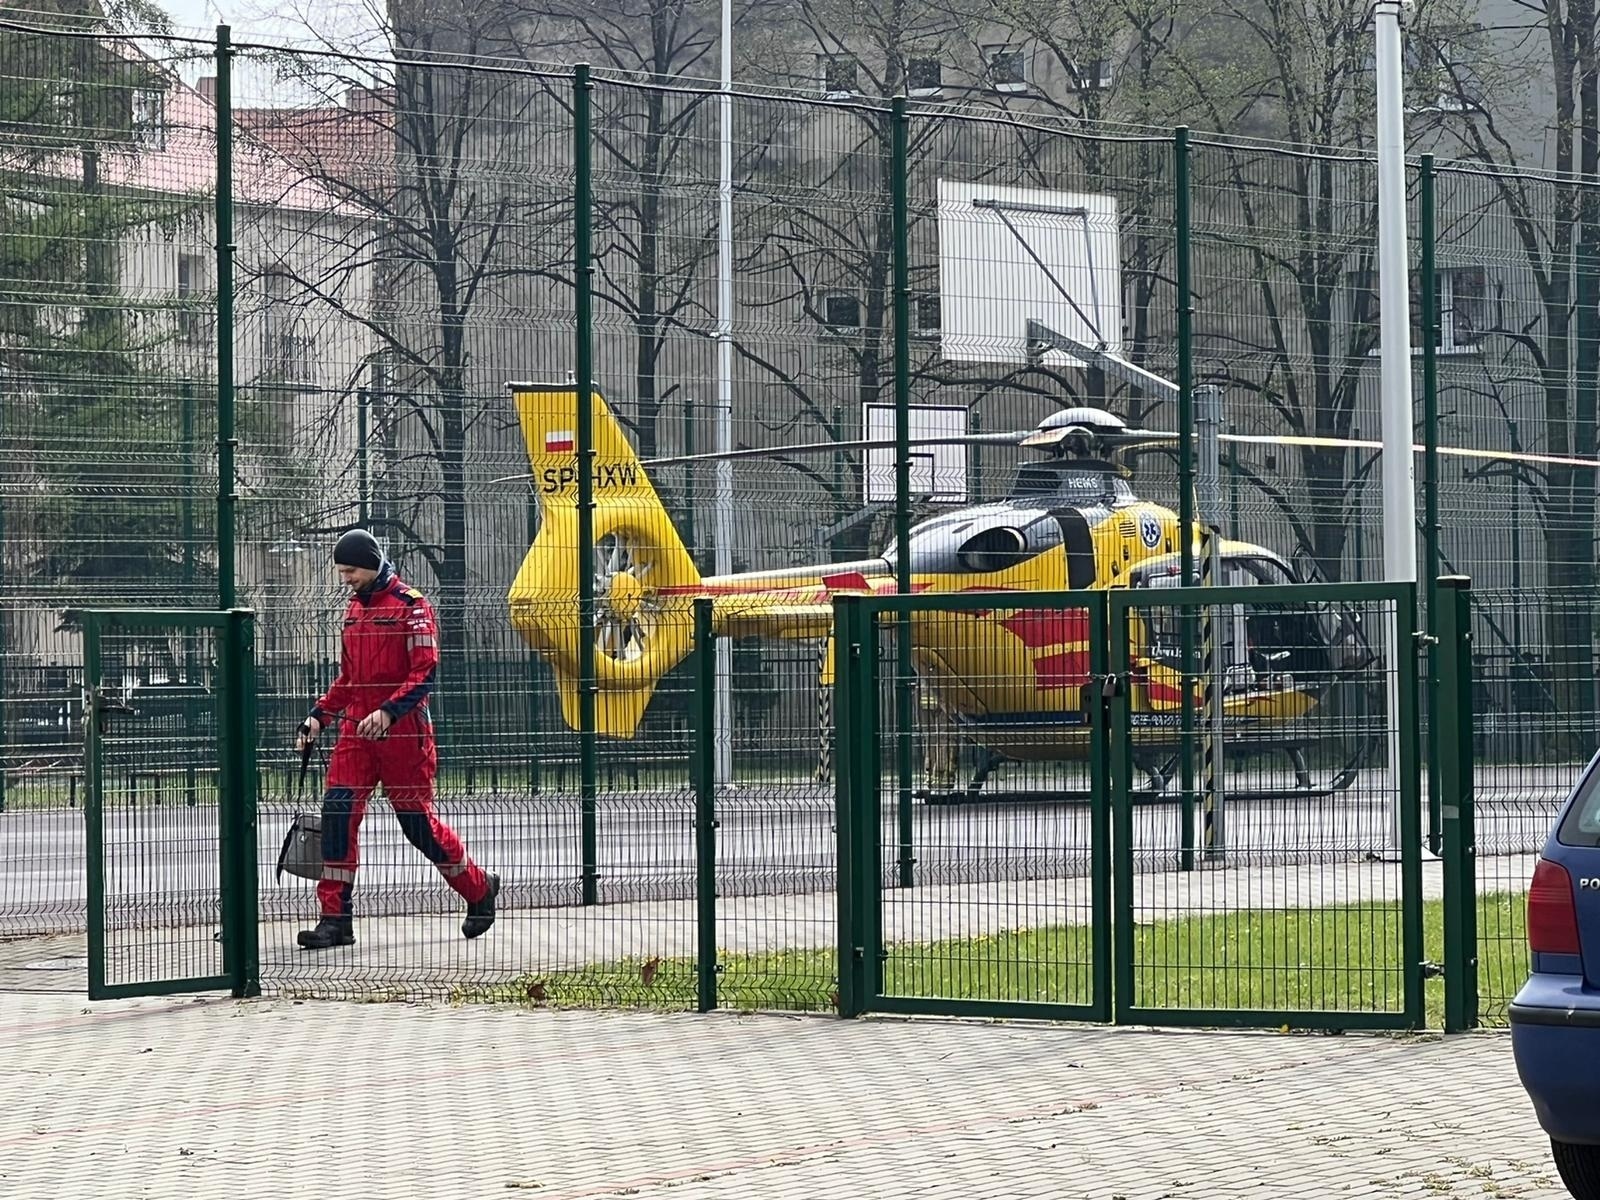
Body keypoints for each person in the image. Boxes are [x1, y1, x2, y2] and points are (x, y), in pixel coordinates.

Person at [294, 528, 500, 950]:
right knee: (337, 813)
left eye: (350, 570)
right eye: (341, 571)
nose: (345, 578)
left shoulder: (413, 606)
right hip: (356, 731)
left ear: (371, 563)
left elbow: (424, 672)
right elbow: (349, 679)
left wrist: (388, 712)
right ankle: (335, 920)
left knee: (416, 825)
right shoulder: (353, 610)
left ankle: (479, 889)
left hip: (404, 732)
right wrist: (319, 717)